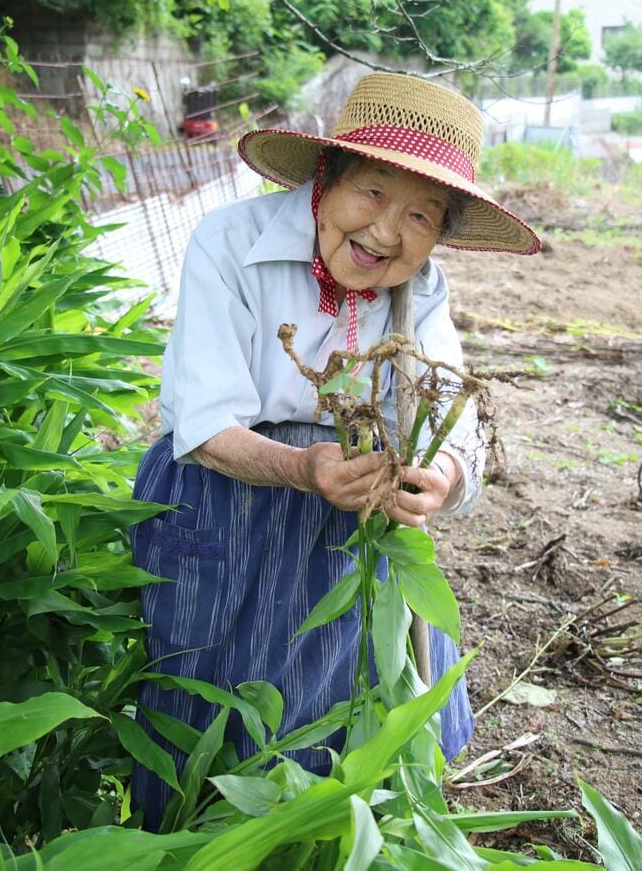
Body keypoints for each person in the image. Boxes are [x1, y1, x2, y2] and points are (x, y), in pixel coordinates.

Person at [130, 72, 540, 830]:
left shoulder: (422, 288)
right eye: (374, 193)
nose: (386, 233)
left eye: (421, 215)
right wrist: (301, 466)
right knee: (208, 699)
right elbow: (203, 422)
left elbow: (454, 420)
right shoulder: (231, 243)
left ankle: (343, 835)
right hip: (225, 495)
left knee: (357, 694)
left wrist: (441, 476)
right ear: (328, 175)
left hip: (358, 504)